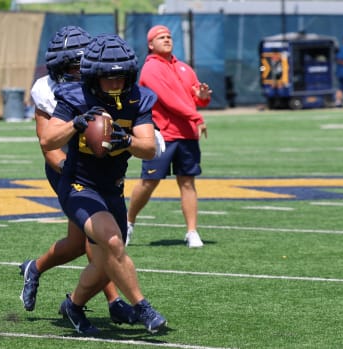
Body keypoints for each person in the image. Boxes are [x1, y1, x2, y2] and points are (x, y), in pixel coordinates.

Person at [40, 34, 167, 335]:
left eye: (120, 77)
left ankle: (73, 305)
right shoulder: (75, 97)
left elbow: (149, 148)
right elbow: (48, 139)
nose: (115, 84)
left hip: (113, 187)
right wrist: (77, 123)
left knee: (104, 263)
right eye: (108, 78)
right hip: (79, 186)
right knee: (112, 243)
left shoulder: (137, 98)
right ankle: (142, 307)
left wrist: (127, 141)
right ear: (94, 76)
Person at [19, 26, 137, 325]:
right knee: (95, 241)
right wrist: (83, 177)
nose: (79, 71)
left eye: (83, 64)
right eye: (73, 66)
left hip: (100, 173)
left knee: (77, 244)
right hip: (69, 171)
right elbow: (50, 150)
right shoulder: (47, 91)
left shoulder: (101, 86)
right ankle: (113, 301)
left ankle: (35, 268)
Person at [126, 25, 212, 248]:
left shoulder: (184, 68)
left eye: (169, 36)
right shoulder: (151, 69)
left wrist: (202, 97)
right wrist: (197, 117)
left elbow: (195, 97)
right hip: (163, 135)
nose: (166, 40)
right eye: (160, 37)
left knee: (188, 182)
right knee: (149, 181)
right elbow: (169, 101)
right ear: (150, 44)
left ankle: (192, 231)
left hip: (187, 135)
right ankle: (128, 223)